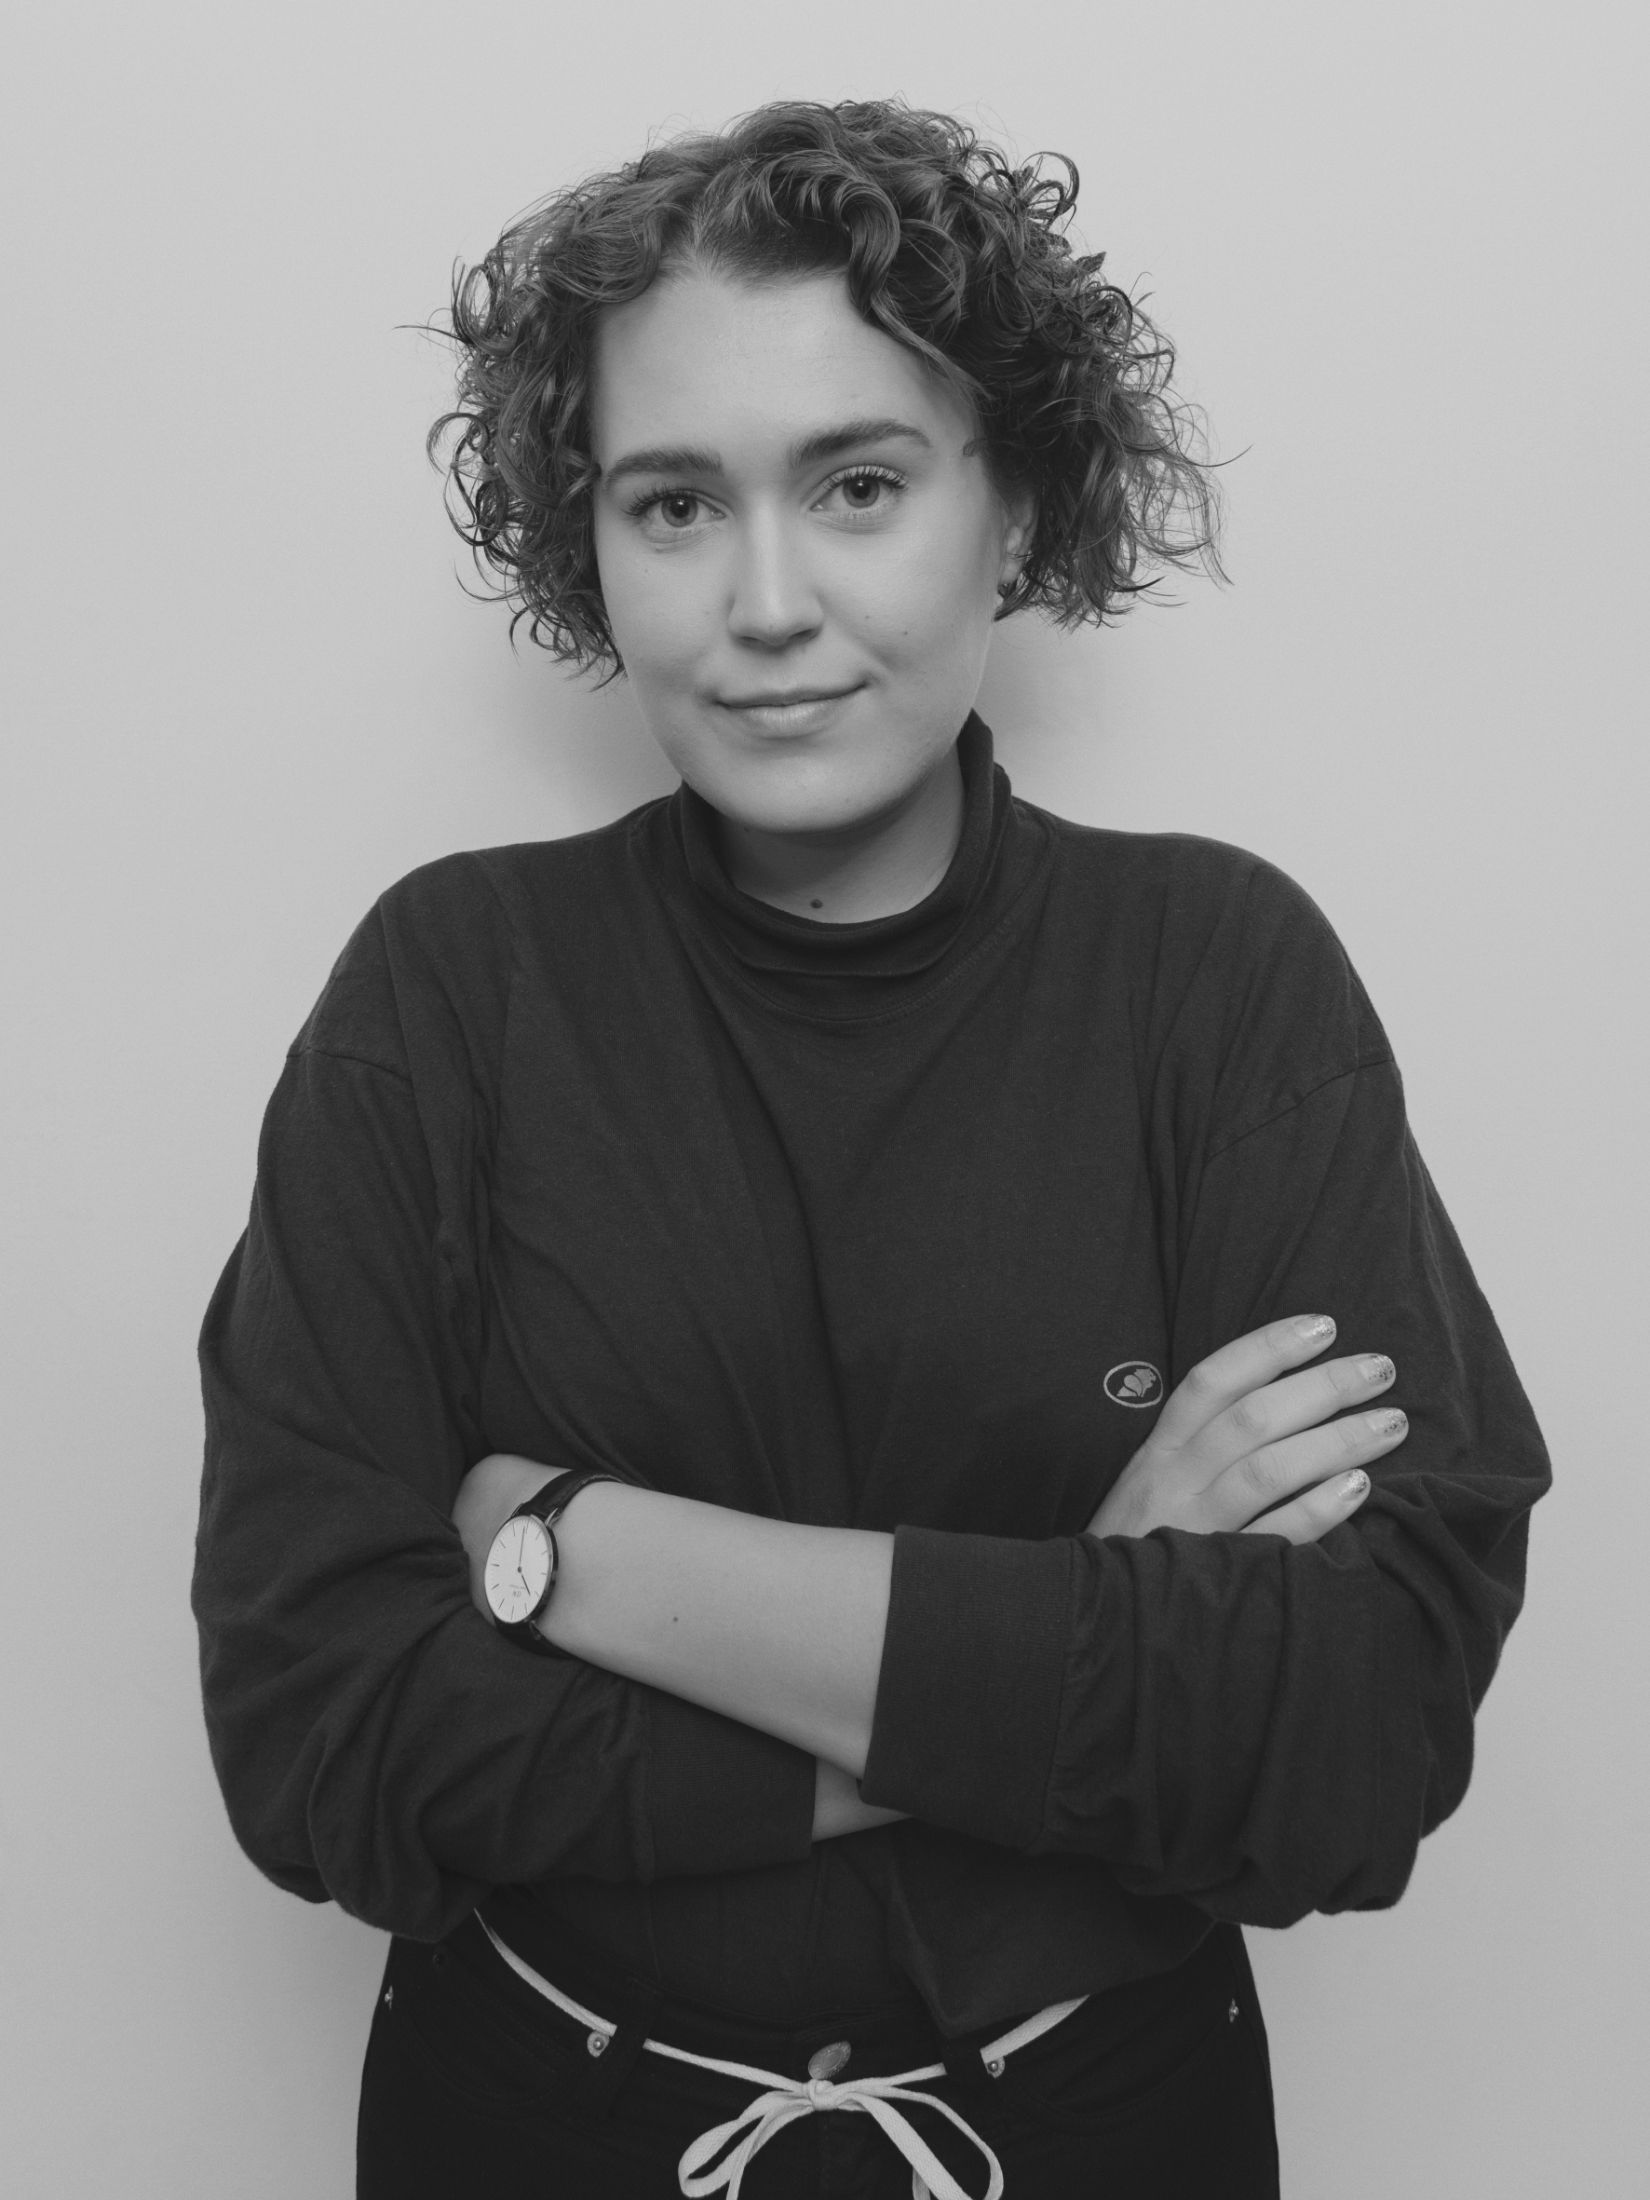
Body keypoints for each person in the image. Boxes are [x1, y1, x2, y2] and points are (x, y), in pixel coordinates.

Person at [192, 98, 1550, 2200]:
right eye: (671, 502)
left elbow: (1350, 1736)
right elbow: (325, 1741)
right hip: (528, 2122)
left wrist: (592, 1561)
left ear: (1014, 511)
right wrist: (1088, 1620)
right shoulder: (449, 990)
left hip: (1106, 2127)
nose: (765, 599)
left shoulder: (1219, 976)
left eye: (857, 485)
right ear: (588, 544)